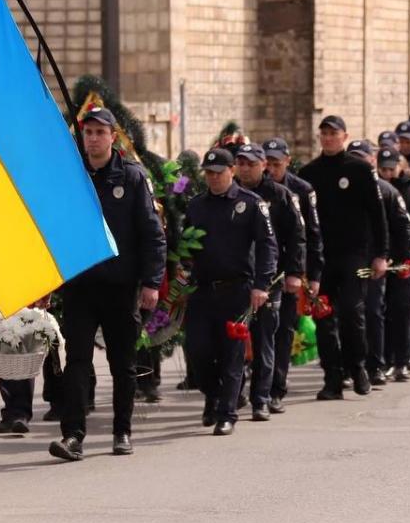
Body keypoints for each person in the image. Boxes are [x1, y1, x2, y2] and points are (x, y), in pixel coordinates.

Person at [48, 106, 166, 460]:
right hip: (81, 287)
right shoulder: (71, 175)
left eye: (101, 132)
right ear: (82, 137)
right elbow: (55, 230)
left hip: (120, 287)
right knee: (77, 362)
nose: (94, 138)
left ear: (113, 137)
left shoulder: (131, 177)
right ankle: (73, 436)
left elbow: (152, 234)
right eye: (88, 132)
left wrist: (151, 282)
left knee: (122, 364)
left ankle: (122, 431)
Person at [183, 148, 277, 435]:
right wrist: (183, 268)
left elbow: (267, 246)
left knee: (231, 354)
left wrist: (262, 285)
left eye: (218, 172)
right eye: (208, 173)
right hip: (202, 291)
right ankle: (214, 394)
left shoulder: (250, 203)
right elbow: (187, 244)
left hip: (237, 290)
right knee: (198, 353)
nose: (213, 178)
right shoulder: (196, 205)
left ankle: (228, 413)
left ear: (231, 171)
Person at [299, 115, 388, 399]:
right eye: (323, 133)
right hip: (321, 257)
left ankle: (358, 367)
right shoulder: (309, 172)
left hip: (354, 254)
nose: (328, 138)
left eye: (333, 133)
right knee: (324, 319)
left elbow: (377, 214)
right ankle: (332, 378)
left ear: (344, 136)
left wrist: (380, 255)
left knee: (352, 312)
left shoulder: (360, 169)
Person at [233, 142, 303, 420]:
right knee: (234, 341)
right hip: (236, 279)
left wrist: (296, 272)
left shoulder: (281, 195)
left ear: (263, 165)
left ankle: (262, 397)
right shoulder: (230, 192)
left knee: (265, 341)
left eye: (251, 163)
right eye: (242, 163)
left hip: (270, 278)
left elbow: (297, 237)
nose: (246, 168)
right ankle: (233, 393)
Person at [263, 138, 323, 411]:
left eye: (277, 163)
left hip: (288, 271)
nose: (272, 169)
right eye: (269, 163)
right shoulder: (256, 188)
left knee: (283, 330)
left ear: (287, 161)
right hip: (261, 271)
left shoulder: (300, 190)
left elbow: (309, 235)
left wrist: (310, 274)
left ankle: (277, 387)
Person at [348, 141, 410, 385]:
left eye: (361, 159)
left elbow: (402, 228)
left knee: (374, 311)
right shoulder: (342, 189)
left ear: (371, 161)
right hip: (349, 260)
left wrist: (405, 260)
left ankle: (377, 364)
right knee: (350, 314)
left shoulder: (386, 191)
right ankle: (352, 365)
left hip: (377, 261)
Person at [370, 146, 410, 382]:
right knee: (380, 312)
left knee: (400, 311)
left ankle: (402, 359)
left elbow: (408, 228)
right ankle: (384, 359)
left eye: (392, 168)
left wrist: (409, 260)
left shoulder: (403, 191)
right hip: (377, 261)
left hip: (398, 262)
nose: (388, 173)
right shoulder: (370, 190)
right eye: (384, 169)